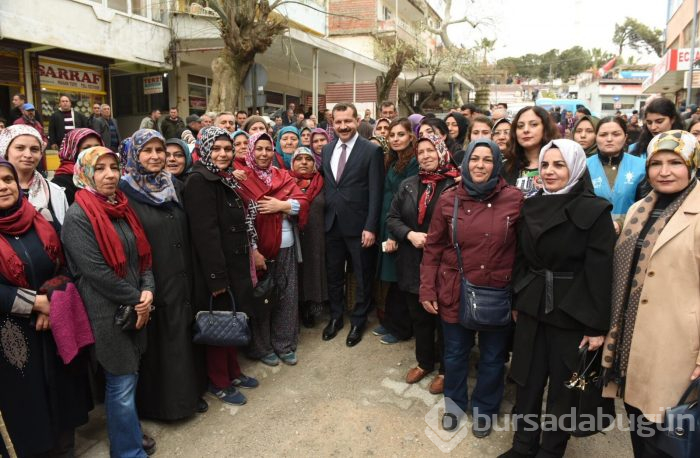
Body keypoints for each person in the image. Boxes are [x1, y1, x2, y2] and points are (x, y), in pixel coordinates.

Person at [501, 139, 615, 458]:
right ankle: (523, 446)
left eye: (559, 165)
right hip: (533, 304)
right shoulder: (532, 203)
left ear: (576, 168)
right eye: (546, 165)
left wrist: (596, 326)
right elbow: (521, 257)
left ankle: (551, 450)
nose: (550, 172)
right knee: (527, 378)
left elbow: (600, 271)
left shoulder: (596, 210)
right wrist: (519, 298)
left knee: (564, 388)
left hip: (572, 310)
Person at [601, 130, 700, 457]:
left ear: (692, 164)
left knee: (672, 439)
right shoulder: (638, 210)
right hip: (634, 348)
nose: (664, 171)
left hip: (679, 350)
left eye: (675, 162)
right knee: (641, 431)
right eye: (656, 163)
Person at [420, 138, 523, 437]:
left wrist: (518, 298)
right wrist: (428, 288)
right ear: (465, 164)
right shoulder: (449, 198)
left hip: (496, 290)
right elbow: (434, 247)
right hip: (454, 288)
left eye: (487, 160)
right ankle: (454, 406)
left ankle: (485, 410)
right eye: (474, 159)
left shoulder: (514, 199)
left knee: (492, 357)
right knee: (454, 354)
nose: (480, 165)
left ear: (497, 165)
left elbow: (523, 253)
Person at [62, 146, 156, 457]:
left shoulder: (122, 207)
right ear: (85, 173)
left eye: (113, 167)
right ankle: (128, 451)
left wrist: (148, 291)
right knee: (121, 382)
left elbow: (143, 257)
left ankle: (129, 438)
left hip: (135, 304)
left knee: (130, 380)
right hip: (106, 313)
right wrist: (139, 299)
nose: (109, 175)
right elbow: (96, 273)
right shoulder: (79, 215)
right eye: (100, 168)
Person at [0, 157, 92, 457]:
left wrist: (52, 301)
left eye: (8, 180)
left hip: (54, 322)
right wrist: (34, 303)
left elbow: (64, 266)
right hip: (11, 333)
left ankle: (64, 447)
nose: (3, 187)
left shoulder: (38, 219)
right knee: (27, 400)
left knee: (62, 390)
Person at [118, 129, 206, 420]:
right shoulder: (124, 192)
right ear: (134, 154)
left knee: (182, 334)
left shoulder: (173, 185)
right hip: (152, 280)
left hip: (182, 274)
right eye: (148, 151)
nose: (156, 157)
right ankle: (163, 406)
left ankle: (189, 396)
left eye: (160, 151)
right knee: (159, 342)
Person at [183, 126, 259, 406]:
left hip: (233, 264)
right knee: (219, 323)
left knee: (233, 318)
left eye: (227, 149)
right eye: (216, 149)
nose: (223, 154)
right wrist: (216, 279)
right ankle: (219, 382)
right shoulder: (199, 181)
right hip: (216, 270)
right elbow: (206, 234)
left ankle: (232, 372)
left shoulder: (222, 178)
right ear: (204, 150)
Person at [386, 134, 458, 394]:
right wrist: (409, 234)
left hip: (444, 263)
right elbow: (392, 218)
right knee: (419, 317)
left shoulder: (455, 184)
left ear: (442, 152)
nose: (426, 156)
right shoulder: (407, 184)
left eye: (431, 150)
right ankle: (424, 362)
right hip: (412, 259)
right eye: (421, 152)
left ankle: (446, 370)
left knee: (444, 319)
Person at [234, 132, 308, 365]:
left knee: (287, 296)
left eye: (268, 149)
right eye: (259, 149)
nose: (264, 154)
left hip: (285, 247)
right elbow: (241, 219)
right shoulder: (242, 179)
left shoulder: (283, 175)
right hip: (258, 251)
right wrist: (253, 250)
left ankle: (284, 344)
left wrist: (283, 205)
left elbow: (303, 203)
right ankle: (262, 347)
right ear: (251, 151)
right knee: (261, 298)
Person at [322, 103, 384, 347]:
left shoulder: (371, 151)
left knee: (362, 275)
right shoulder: (327, 150)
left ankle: (358, 320)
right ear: (333, 124)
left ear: (357, 121)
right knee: (334, 275)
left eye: (348, 121)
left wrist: (370, 227)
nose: (343, 126)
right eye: (338, 122)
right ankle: (336, 317)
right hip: (332, 224)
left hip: (360, 227)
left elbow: (376, 192)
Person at [374, 118, 419, 345]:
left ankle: (401, 328)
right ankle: (391, 322)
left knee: (400, 278)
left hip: (400, 227)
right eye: (392, 135)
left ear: (411, 136)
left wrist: (395, 234)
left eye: (401, 134)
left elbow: (407, 200)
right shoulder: (393, 160)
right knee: (391, 278)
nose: (395, 139)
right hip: (387, 223)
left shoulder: (413, 162)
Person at [287, 146, 326, 328]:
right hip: (293, 236)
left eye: (308, 159)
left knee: (314, 270)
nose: (304, 162)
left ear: (314, 163)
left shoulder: (322, 183)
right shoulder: (285, 182)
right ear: (292, 163)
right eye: (299, 159)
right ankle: (297, 308)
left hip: (317, 237)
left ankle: (312, 306)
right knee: (296, 272)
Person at [587, 116, 646, 233]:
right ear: (596, 138)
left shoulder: (641, 166)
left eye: (616, 134)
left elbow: (646, 204)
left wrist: (621, 223)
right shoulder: (584, 166)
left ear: (625, 137)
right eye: (603, 135)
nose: (609, 139)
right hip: (592, 233)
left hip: (631, 233)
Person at [0, 125, 69, 225]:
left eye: (34, 149)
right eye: (20, 148)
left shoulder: (55, 192)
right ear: (5, 151)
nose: (28, 155)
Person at [503, 106, 559, 198]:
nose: (526, 130)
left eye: (533, 124)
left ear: (546, 128)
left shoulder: (566, 162)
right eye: (520, 126)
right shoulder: (507, 167)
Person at [52, 128, 104, 204]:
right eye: (86, 148)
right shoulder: (61, 182)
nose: (94, 151)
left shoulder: (106, 174)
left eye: (97, 147)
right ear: (73, 151)